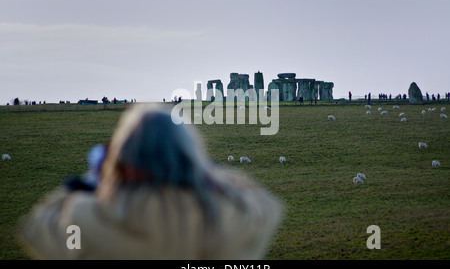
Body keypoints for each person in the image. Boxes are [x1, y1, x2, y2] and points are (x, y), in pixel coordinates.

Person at [19, 104, 283, 259]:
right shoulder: (233, 221)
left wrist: (92, 178)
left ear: (122, 163)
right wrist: (200, 167)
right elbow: (263, 202)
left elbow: (38, 225)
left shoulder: (81, 222)